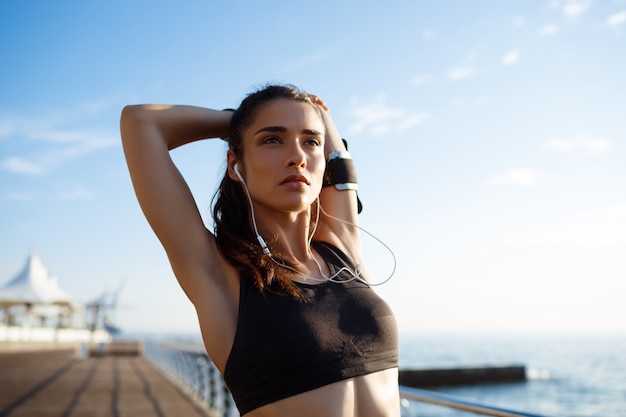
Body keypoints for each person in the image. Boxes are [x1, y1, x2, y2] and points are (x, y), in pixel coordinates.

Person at [120, 84, 399, 417]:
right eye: (272, 139)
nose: (297, 156)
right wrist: (239, 123)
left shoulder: (342, 252)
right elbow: (140, 122)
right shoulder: (219, 273)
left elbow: (342, 170)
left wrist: (321, 117)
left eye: (310, 141)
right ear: (236, 164)